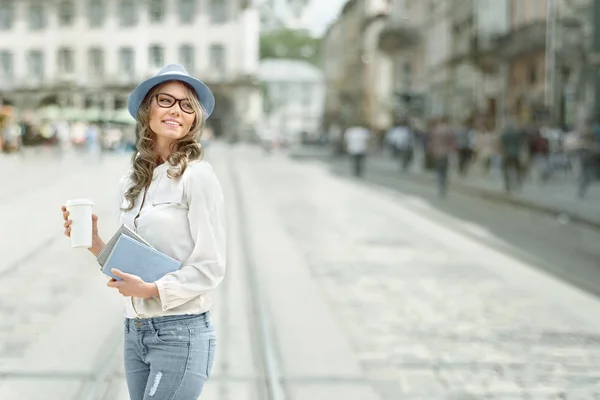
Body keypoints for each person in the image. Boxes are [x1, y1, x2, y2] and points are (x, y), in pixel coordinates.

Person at [60, 64, 226, 400]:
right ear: (146, 109)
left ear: (194, 119)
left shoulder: (198, 177)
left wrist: (150, 289)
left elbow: (211, 268)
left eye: (186, 105)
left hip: (182, 331)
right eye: (165, 100)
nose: (176, 110)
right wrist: (95, 243)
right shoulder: (133, 181)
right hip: (135, 329)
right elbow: (135, 260)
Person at [429, 117, 455, 197]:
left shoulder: (435, 130)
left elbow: (431, 142)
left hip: (437, 153)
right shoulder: (448, 130)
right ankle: (443, 185)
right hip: (445, 153)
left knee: (439, 170)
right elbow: (451, 142)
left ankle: (440, 185)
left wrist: (432, 150)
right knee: (444, 171)